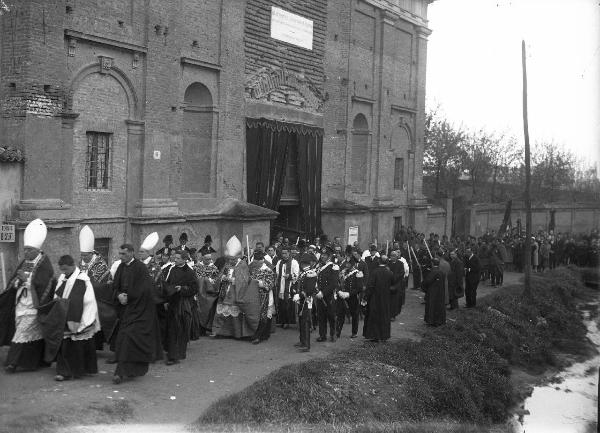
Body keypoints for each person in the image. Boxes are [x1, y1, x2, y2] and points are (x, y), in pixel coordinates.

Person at [1, 219, 55, 373]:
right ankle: (33, 362)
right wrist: (18, 282)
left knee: (22, 333)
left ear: (37, 250)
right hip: (21, 303)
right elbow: (15, 281)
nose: (26, 253)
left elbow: (44, 283)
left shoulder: (44, 264)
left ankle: (12, 363)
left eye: (29, 250)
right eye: (25, 250)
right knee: (31, 335)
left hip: (34, 305)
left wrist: (26, 280)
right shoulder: (25, 262)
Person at [111, 244, 160, 384]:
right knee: (123, 339)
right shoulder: (121, 267)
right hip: (126, 310)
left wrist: (129, 296)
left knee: (130, 339)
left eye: (124, 254)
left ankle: (120, 372)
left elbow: (145, 290)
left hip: (141, 311)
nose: (121, 257)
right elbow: (115, 286)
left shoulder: (140, 268)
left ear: (132, 253)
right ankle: (126, 369)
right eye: (120, 254)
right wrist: (119, 295)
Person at [53, 255, 100, 381]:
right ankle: (65, 371)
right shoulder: (63, 277)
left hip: (82, 314)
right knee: (66, 344)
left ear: (73, 265)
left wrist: (71, 307)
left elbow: (84, 299)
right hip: (66, 314)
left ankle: (81, 370)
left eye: (66, 269)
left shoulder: (82, 279)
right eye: (62, 270)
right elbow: (58, 292)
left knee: (79, 344)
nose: (64, 272)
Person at [213, 236, 260, 338]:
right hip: (225, 291)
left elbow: (244, 280)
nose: (230, 261)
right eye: (229, 259)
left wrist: (233, 280)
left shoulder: (242, 265)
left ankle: (236, 333)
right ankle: (221, 332)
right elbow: (220, 275)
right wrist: (223, 278)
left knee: (234, 314)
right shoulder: (228, 263)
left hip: (236, 292)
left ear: (237, 257)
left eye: (232, 259)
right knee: (223, 312)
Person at [78, 225, 113, 351]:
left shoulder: (100, 265)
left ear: (91, 253)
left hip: (97, 299)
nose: (83, 258)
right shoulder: (81, 263)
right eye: (82, 255)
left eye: (85, 256)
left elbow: (103, 284)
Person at [163, 250, 198, 364]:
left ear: (184, 259)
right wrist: (166, 300)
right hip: (172, 303)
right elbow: (166, 284)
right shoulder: (172, 269)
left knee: (179, 329)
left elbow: (194, 288)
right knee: (171, 329)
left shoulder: (190, 272)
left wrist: (182, 289)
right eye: (175, 258)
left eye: (178, 258)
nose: (175, 259)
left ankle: (175, 356)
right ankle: (171, 353)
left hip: (183, 305)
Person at [363, 255, 393, 342]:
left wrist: (366, 297)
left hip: (375, 298)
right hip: (385, 298)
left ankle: (375, 335)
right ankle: (384, 335)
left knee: (375, 316)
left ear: (379, 262)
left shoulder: (375, 272)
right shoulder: (389, 273)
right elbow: (393, 285)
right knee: (384, 316)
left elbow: (370, 286)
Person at [250, 251, 276, 344]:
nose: (256, 265)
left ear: (262, 262)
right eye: (255, 263)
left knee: (263, 315)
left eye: (258, 263)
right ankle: (262, 334)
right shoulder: (254, 270)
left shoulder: (268, 271)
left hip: (265, 295)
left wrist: (260, 283)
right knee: (256, 315)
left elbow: (271, 284)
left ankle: (259, 336)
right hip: (254, 295)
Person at [293, 254, 318, 351]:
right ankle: (302, 341)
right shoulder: (303, 273)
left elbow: (310, 289)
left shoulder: (310, 273)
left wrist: (300, 295)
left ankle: (306, 345)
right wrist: (296, 292)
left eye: (302, 263)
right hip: (301, 300)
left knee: (305, 322)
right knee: (301, 321)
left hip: (307, 300)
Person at [315, 246, 339, 342]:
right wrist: (317, 291)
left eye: (325, 255)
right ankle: (322, 335)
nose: (322, 257)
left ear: (329, 256)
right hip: (319, 295)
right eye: (322, 255)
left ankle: (333, 334)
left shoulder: (334, 267)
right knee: (321, 316)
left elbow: (333, 284)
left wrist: (323, 293)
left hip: (329, 296)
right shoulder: (319, 266)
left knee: (331, 316)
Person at [336, 255, 363, 338]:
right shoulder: (343, 272)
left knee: (354, 315)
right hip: (342, 296)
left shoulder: (358, 273)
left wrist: (349, 294)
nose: (347, 264)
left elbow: (359, 288)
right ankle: (337, 332)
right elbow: (338, 282)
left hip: (352, 297)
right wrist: (339, 291)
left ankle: (354, 332)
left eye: (349, 263)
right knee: (340, 315)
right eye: (346, 263)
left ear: (353, 264)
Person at [195, 252, 220, 335]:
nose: (209, 260)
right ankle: (199, 329)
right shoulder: (196, 267)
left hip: (209, 293)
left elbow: (216, 280)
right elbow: (195, 278)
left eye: (210, 259)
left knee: (209, 310)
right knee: (198, 310)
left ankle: (207, 327)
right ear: (202, 258)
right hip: (199, 292)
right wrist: (204, 280)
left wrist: (210, 281)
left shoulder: (214, 268)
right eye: (206, 259)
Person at [275, 246, 299, 328]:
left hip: (289, 286)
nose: (284, 255)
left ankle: (287, 322)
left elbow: (297, 275)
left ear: (289, 253)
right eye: (282, 253)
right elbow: (277, 274)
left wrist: (290, 276)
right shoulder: (279, 262)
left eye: (285, 253)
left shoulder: (294, 262)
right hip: (281, 286)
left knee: (287, 305)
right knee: (281, 304)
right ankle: (281, 321)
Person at [422, 258, 446, 326]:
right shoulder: (441, 272)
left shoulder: (433, 272)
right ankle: (439, 321)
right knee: (439, 306)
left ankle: (431, 321)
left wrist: (423, 287)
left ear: (432, 264)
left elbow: (427, 281)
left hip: (432, 292)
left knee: (432, 306)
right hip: (440, 292)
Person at [388, 251, 406, 321]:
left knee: (395, 301)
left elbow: (402, 273)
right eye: (391, 256)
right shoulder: (388, 263)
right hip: (389, 284)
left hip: (397, 285)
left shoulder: (400, 263)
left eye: (394, 256)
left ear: (396, 256)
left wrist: (395, 277)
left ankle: (393, 315)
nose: (392, 257)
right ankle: (388, 314)